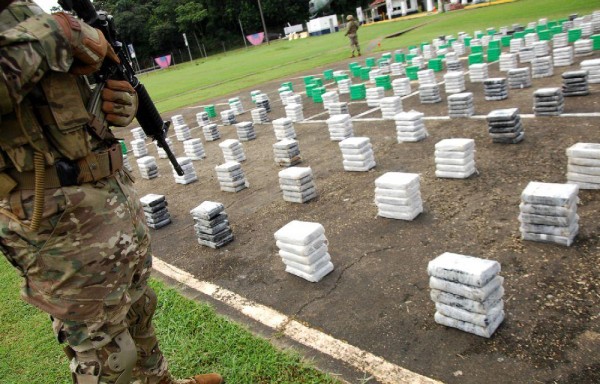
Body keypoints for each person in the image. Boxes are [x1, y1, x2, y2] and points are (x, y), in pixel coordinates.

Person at [0, 1, 223, 383]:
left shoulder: (24, 10)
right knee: (107, 354)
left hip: (106, 200)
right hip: (55, 220)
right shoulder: (49, 23)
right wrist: (62, 32)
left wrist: (116, 100)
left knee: (138, 312)